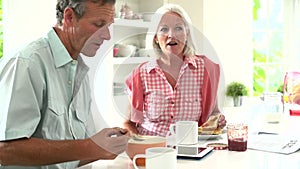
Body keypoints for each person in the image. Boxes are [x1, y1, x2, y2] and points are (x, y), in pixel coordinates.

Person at [0, 0, 129, 168]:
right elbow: (6, 151)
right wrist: (91, 146)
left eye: (108, 27)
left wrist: (106, 147)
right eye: (99, 24)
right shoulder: (27, 63)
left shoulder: (79, 71)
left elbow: (70, 156)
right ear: (69, 17)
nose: (107, 36)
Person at [123, 4, 226, 137]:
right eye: (164, 29)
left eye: (178, 28)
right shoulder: (140, 74)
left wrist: (218, 119)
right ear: (155, 36)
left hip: (190, 149)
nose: (171, 35)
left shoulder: (205, 70)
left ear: (186, 33)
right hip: (152, 150)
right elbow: (128, 123)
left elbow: (214, 113)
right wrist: (141, 144)